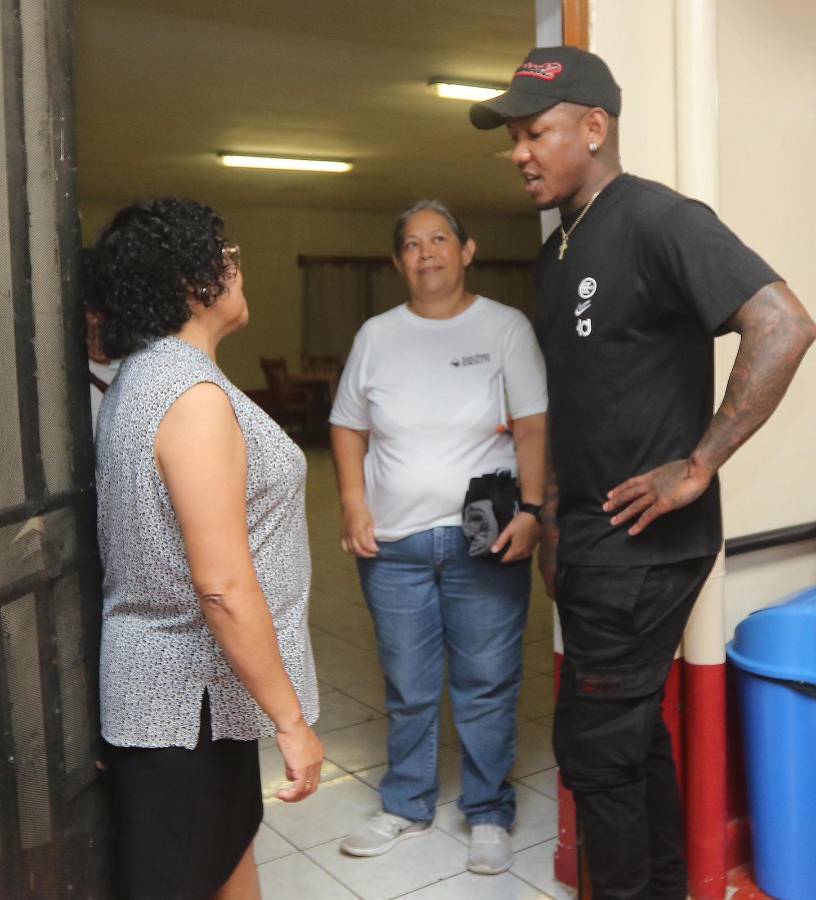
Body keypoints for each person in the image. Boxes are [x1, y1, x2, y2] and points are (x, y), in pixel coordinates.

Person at [469, 46, 816, 900]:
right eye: (512, 136)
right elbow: (580, 401)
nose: (519, 152)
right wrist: (551, 519)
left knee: (596, 752)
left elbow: (783, 323)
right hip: (590, 537)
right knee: (626, 740)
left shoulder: (659, 218)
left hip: (644, 545)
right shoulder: (558, 255)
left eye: (536, 132)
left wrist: (697, 464)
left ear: (594, 127)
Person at [91, 198, 323, 900]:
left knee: (221, 862)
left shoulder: (147, 374)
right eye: (225, 256)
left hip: (198, 699)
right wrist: (292, 723)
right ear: (192, 281)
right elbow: (220, 582)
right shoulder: (188, 394)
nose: (235, 267)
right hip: (181, 701)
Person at [330, 199, 548, 875]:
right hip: (392, 544)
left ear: (467, 250)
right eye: (412, 244)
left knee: (486, 681)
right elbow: (347, 425)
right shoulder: (376, 335)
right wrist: (352, 502)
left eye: (439, 240)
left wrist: (534, 510)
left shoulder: (505, 327)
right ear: (399, 262)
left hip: (481, 538)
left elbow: (535, 423)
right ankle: (407, 804)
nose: (426, 253)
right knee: (408, 683)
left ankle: (486, 812)